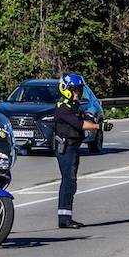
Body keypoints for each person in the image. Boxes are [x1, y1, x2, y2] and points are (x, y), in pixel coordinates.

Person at [51, 73, 100, 229]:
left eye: (79, 90)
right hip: (66, 147)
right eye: (75, 90)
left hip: (73, 147)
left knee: (71, 182)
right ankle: (64, 219)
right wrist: (99, 126)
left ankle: (66, 216)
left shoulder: (73, 105)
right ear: (66, 89)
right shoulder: (63, 107)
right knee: (68, 181)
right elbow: (78, 124)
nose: (78, 93)